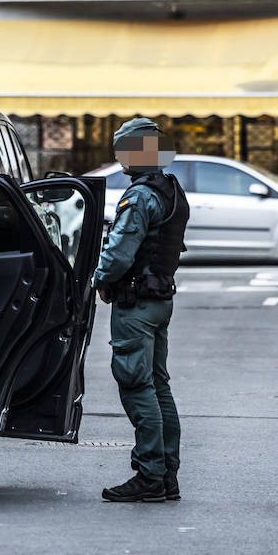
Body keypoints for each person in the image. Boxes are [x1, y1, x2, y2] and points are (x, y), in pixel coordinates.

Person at [91, 118, 189, 504]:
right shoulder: (170, 188)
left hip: (136, 302)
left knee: (137, 385)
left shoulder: (139, 196)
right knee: (158, 386)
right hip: (159, 298)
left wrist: (99, 278)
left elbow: (118, 254)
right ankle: (166, 474)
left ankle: (150, 474)